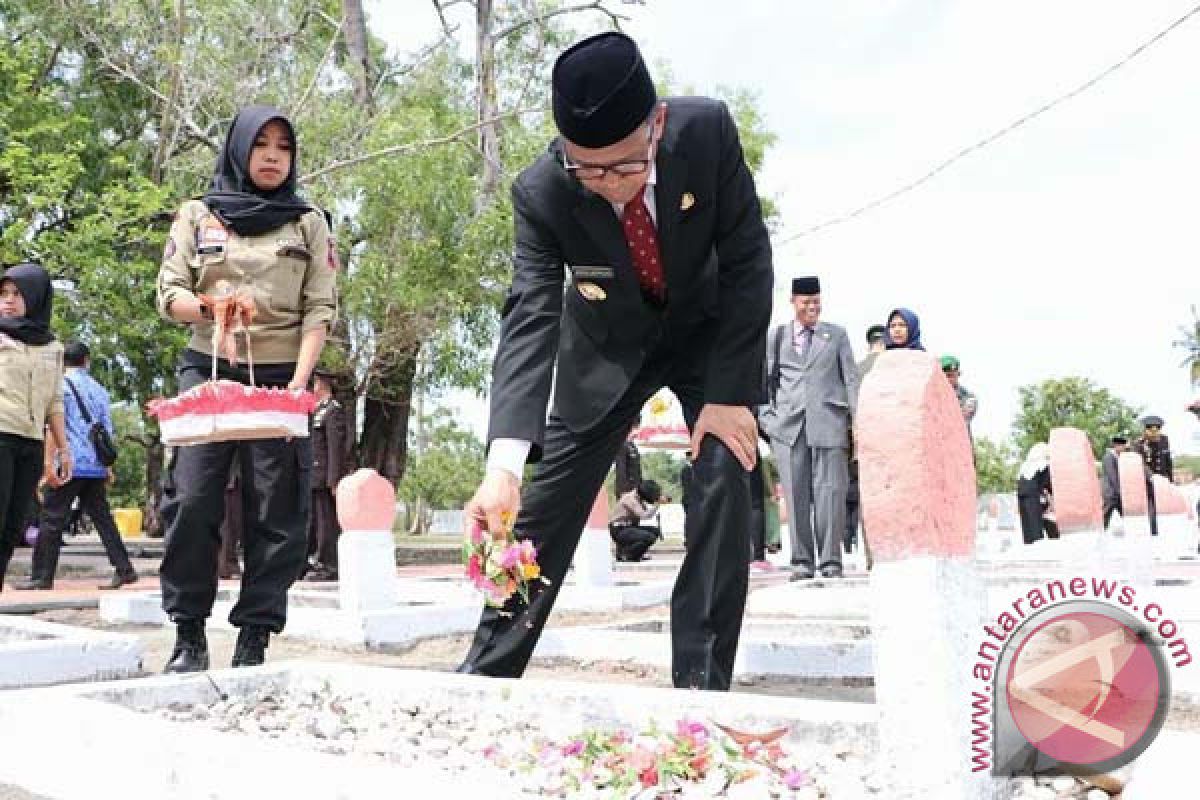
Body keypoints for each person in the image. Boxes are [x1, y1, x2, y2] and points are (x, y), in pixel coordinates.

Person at [457, 32, 773, 691]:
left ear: (655, 125)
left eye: (625, 167)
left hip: (707, 339)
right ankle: (485, 676)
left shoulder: (706, 132)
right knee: (541, 508)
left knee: (723, 470)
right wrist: (503, 467)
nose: (608, 187)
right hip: (604, 350)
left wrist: (730, 394)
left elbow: (747, 260)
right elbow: (530, 319)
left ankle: (701, 683)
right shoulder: (542, 192)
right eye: (587, 170)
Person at [155, 105, 337, 672]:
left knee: (277, 512)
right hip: (208, 369)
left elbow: (320, 309)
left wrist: (298, 390)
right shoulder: (196, 214)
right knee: (191, 499)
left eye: (284, 146)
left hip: (283, 379)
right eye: (261, 145)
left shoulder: (308, 221)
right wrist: (213, 306)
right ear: (238, 150)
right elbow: (169, 296)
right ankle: (188, 633)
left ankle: (255, 635)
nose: (273, 156)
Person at [16, 341, 137, 590]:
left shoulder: (59, 387)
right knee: (103, 519)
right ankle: (124, 569)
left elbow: (52, 427)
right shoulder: (100, 390)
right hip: (94, 465)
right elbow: (106, 431)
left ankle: (42, 576)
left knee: (51, 518)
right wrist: (108, 467)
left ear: (62, 362)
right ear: (87, 360)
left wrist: (49, 464)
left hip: (69, 463)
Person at [760, 276, 858, 581]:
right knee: (795, 495)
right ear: (793, 302)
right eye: (806, 302)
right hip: (788, 429)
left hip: (830, 424)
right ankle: (802, 562)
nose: (812, 307)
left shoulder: (836, 335)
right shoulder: (776, 337)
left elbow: (851, 380)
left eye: (816, 301)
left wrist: (857, 423)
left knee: (830, 494)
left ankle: (831, 562)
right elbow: (764, 383)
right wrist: (768, 421)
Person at [0, 263, 70, 592]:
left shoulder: (53, 348)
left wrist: (62, 449)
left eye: (17, 294)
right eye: (3, 293)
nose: (8, 301)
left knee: (14, 526)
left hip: (29, 441)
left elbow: (54, 401)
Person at [845, 324, 886, 559]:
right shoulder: (893, 368)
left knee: (868, 501)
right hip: (891, 443)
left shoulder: (856, 370)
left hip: (864, 446)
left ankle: (872, 555)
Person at [304, 368, 349, 582]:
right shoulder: (316, 410)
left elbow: (335, 449)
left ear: (322, 384)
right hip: (313, 476)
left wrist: (334, 480)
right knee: (312, 522)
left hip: (324, 477)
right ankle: (312, 560)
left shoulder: (333, 411)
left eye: (314, 384)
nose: (312, 388)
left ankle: (328, 564)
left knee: (325, 523)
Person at [1132, 415, 1172, 537]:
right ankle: (1153, 531)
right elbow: (1141, 464)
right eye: (1152, 431)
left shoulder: (1164, 440)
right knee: (1152, 505)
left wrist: (1170, 479)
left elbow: (1167, 460)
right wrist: (1151, 476)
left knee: (1164, 505)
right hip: (1147, 480)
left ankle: (1160, 528)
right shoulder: (1138, 444)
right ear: (1145, 430)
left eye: (1157, 430)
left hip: (1162, 479)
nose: (1155, 434)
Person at [609, 479, 663, 562]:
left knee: (655, 531)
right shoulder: (630, 498)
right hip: (619, 530)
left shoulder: (638, 498)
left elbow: (646, 512)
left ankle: (636, 555)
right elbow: (645, 516)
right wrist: (658, 504)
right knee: (649, 537)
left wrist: (656, 502)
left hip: (628, 528)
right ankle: (626, 554)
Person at [1017, 443, 1058, 544]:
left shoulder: (1025, 466)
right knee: (1035, 524)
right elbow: (1048, 484)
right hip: (1033, 496)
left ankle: (1029, 544)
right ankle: (1038, 545)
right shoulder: (1043, 464)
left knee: (1027, 524)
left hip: (1022, 496)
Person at [939, 355, 977, 434]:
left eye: (953, 375)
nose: (950, 379)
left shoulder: (968, 398)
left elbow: (959, 421)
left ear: (958, 374)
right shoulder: (933, 394)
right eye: (947, 376)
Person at [1101, 434, 1127, 528]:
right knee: (1105, 515)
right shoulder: (1109, 457)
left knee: (1124, 514)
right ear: (1116, 445)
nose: (1124, 448)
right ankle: (1100, 532)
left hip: (1116, 493)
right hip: (1110, 493)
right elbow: (1112, 476)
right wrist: (1119, 490)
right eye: (1122, 446)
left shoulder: (1117, 457)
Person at [613, 432, 643, 496]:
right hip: (626, 488)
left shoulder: (633, 446)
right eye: (636, 428)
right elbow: (620, 468)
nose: (637, 432)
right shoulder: (621, 445)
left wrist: (641, 486)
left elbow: (638, 469)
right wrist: (622, 490)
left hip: (636, 487)